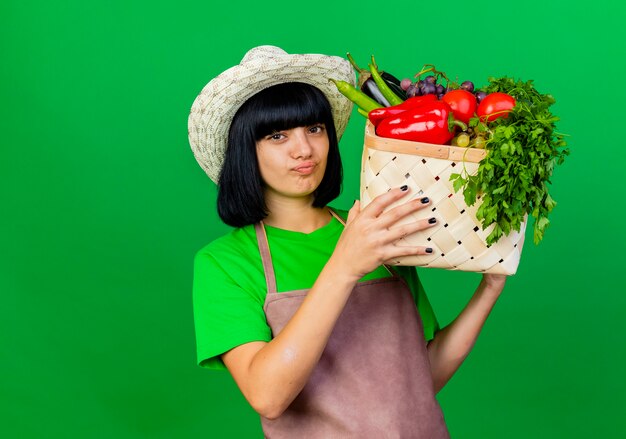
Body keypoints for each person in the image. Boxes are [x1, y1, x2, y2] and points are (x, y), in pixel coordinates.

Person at [188, 45, 507, 438]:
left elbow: (421, 376)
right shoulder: (224, 263)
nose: (303, 149)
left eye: (314, 128)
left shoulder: (374, 227)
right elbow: (267, 395)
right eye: (276, 135)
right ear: (245, 152)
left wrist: (490, 287)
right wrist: (344, 265)